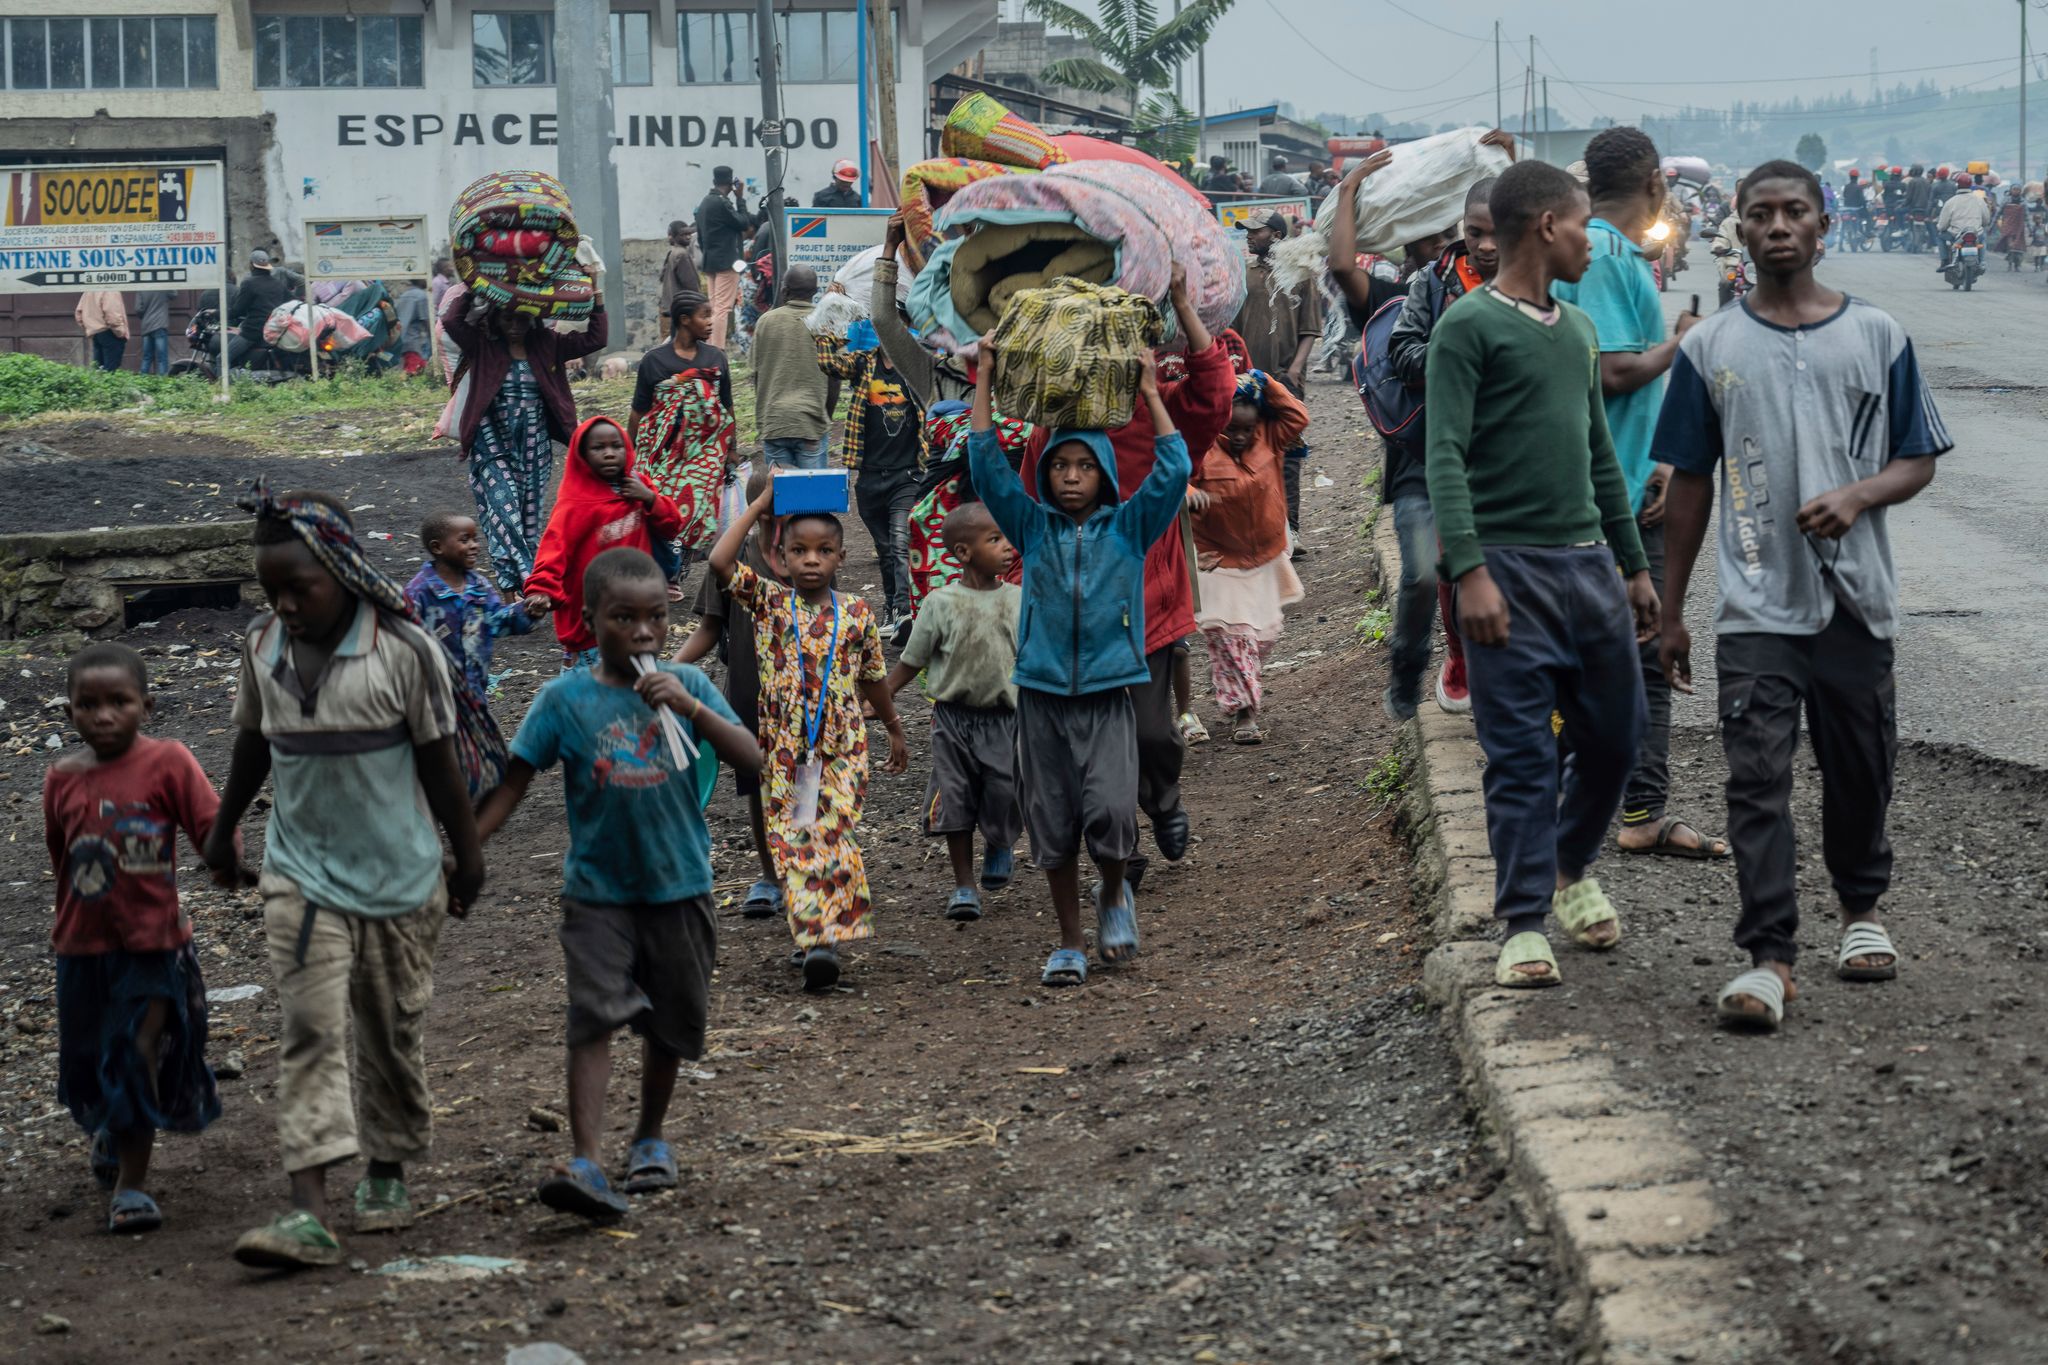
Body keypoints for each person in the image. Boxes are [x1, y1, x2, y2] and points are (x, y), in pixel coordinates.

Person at [1652, 160, 1949, 1032]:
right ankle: (1769, 958)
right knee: (1756, 780)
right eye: (1761, 213)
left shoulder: (1879, 335)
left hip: (1857, 601)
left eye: (1796, 212)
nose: (1779, 226)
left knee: (1861, 768)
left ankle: (1861, 911)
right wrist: (1671, 612)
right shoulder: (1711, 349)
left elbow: (1917, 455)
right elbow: (1690, 482)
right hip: (1756, 606)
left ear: (1824, 226)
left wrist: (1858, 494)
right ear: (1737, 230)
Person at [203, 489, 486, 1269]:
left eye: (301, 587)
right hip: (300, 872)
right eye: (272, 591)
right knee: (310, 1029)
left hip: (400, 874)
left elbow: (441, 763)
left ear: (341, 569)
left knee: (389, 1028)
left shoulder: (403, 650)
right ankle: (309, 1210)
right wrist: (224, 832)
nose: (287, 605)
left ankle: (387, 1166)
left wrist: (470, 856)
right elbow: (252, 745)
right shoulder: (263, 647)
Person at [1424, 160, 1660, 991]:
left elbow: (1599, 452)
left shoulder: (1580, 330)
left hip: (1590, 565)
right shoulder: (1469, 327)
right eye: (1583, 225)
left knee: (1616, 732)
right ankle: (1524, 919)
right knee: (1520, 753)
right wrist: (1470, 571)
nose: (1594, 243)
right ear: (1545, 228)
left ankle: (1568, 862)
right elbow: (1443, 454)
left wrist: (1633, 564)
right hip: (1507, 569)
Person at [477, 547, 760, 1219]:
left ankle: (650, 1137)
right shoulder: (564, 699)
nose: (642, 633)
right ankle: (585, 1157)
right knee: (593, 1018)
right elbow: (511, 785)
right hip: (598, 893)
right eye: (623, 617)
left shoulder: (688, 682)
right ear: (589, 618)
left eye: (656, 618)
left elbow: (752, 756)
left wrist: (690, 706)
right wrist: (463, 855)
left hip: (681, 884)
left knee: (671, 1023)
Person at [972, 336, 1191, 987]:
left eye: (1084, 466)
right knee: (1054, 826)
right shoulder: (1030, 527)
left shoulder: (1129, 527)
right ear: (1045, 474)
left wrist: (1150, 391)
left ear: (1103, 474)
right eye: (1060, 465)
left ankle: (1115, 893)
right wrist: (984, 374)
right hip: (1040, 697)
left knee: (1112, 812)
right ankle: (1070, 939)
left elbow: (1173, 469)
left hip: (1107, 697)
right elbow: (985, 463)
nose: (1070, 475)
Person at [1016, 265, 1232, 871]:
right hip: (1071, 615)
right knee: (1083, 749)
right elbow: (1032, 513)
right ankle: (1120, 851)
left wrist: (1185, 307)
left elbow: (1215, 395)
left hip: (1146, 601)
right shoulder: (1051, 428)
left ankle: (1162, 801)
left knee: (1149, 733)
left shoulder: (1154, 412)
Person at [1551, 126, 1724, 863]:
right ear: (1655, 182)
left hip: (1620, 475)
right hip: (1611, 493)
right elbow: (1611, 371)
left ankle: (1595, 797)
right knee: (1642, 649)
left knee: (1607, 652)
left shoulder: (1602, 248)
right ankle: (1638, 807)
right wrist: (1683, 341)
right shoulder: (1607, 253)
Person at [47, 643, 239, 1235]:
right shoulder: (62, 778)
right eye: (88, 705)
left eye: (118, 703)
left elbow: (211, 824)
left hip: (154, 945)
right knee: (87, 1060)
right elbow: (63, 859)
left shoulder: (169, 763)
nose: (103, 716)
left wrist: (225, 861)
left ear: (145, 705)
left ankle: (132, 1185)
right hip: (81, 947)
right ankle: (110, 1127)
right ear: (71, 712)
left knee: (136, 1049)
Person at [706, 484, 909, 991]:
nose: (811, 561)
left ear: (842, 555)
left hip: (841, 750)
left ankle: (821, 940)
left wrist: (893, 726)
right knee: (798, 838)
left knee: (830, 834)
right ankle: (816, 934)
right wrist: (758, 506)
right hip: (788, 757)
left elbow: (871, 678)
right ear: (779, 557)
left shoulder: (857, 613)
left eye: (823, 551)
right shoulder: (771, 605)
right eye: (798, 551)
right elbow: (719, 561)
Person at [1380, 176, 1500, 721]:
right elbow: (1402, 352)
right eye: (1476, 233)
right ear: (1462, 230)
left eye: (1500, 233)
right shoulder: (1433, 282)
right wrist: (1464, 358)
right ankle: (1422, 661)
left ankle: (1486, 671)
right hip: (1427, 453)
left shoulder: (1543, 286)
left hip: (1500, 456)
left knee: (1485, 569)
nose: (1488, 246)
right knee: (1428, 571)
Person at [882, 501, 1022, 921]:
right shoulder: (941, 603)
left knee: (1006, 790)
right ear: (963, 552)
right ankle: (964, 886)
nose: (1007, 547)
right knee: (954, 802)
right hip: (953, 719)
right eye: (995, 539)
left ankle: (999, 842)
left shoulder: (1019, 599)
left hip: (1006, 719)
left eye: (1005, 537)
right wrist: (880, 699)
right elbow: (913, 659)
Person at [440, 279, 610, 591]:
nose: (515, 326)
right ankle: (532, 581)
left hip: (535, 446)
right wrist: (474, 283)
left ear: (532, 318)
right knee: (505, 513)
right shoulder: (483, 345)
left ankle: (509, 590)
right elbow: (451, 320)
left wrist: (597, 297)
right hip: (491, 442)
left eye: (521, 319)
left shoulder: (548, 344)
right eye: (507, 319)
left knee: (528, 521)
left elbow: (596, 338)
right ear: (496, 320)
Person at [674, 466, 785, 918]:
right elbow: (708, 628)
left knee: (804, 784)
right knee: (757, 785)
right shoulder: (737, 555)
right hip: (748, 688)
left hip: (804, 693)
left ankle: (801, 870)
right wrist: (671, 669)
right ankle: (769, 875)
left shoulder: (809, 551)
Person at [1188, 370, 1307, 745]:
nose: (1239, 437)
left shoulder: (1271, 435)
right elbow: (1175, 474)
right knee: (1233, 635)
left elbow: (1298, 416)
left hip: (1266, 557)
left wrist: (1264, 381)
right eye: (1231, 431)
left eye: (1246, 430)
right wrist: (1190, 494)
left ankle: (1232, 681)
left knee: (1261, 639)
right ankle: (1246, 712)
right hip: (1218, 559)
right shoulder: (1201, 446)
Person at [524, 417, 684, 671]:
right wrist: (541, 589)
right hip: (591, 626)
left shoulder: (637, 486)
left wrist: (650, 499)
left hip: (636, 615)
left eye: (616, 446)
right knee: (590, 697)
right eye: (598, 448)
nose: (609, 454)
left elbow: (673, 525)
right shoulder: (575, 504)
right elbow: (554, 551)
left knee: (639, 692)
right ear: (582, 455)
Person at [822, 310, 927, 635]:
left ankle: (906, 613)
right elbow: (828, 362)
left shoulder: (919, 365)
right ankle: (893, 611)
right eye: (883, 326)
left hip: (907, 475)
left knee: (899, 544)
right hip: (869, 478)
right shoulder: (863, 362)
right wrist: (832, 314)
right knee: (885, 549)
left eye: (898, 326)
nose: (890, 333)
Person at [627, 291, 736, 593]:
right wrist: (630, 453)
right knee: (663, 509)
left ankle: (674, 572)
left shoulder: (715, 358)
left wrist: (732, 450)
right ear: (684, 320)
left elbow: (726, 407)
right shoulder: (654, 361)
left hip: (704, 451)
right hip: (661, 452)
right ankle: (668, 570)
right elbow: (639, 411)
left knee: (695, 510)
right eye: (705, 315)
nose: (711, 322)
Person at [1231, 212, 1320, 539]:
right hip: (1247, 379)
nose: (1249, 236)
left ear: (1277, 234)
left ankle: (1290, 529)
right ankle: (1257, 527)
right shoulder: (1242, 274)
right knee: (1247, 448)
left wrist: (1295, 369)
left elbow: (1310, 329)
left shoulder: (1300, 273)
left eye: (1257, 231)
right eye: (1247, 232)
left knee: (1289, 452)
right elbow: (1232, 329)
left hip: (1286, 379)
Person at [403, 512, 535, 699]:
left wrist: (528, 611)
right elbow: (403, 644)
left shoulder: (478, 585)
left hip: (474, 694)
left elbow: (497, 621)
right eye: (465, 540)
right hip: (432, 698)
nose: (474, 546)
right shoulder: (419, 593)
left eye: (475, 539)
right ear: (437, 547)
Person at [751, 264, 832, 470]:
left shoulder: (765, 322)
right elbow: (835, 377)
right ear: (815, 292)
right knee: (813, 499)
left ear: (784, 290)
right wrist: (825, 417)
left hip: (775, 422)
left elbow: (757, 376)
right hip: (811, 423)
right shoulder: (827, 322)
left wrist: (763, 417)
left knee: (780, 496)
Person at [695, 166, 755, 349]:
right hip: (727, 262)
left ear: (714, 181)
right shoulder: (722, 203)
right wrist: (740, 198)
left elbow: (700, 237)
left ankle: (710, 348)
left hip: (710, 261)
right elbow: (743, 223)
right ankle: (718, 350)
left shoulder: (704, 203)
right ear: (731, 184)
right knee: (722, 308)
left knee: (713, 307)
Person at [228, 250, 293, 366]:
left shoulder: (248, 283)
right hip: (275, 330)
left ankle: (223, 383)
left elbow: (238, 310)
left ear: (251, 265)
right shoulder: (277, 283)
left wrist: (217, 314)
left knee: (222, 359)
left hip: (253, 331)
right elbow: (292, 301)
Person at [1936, 174, 1993, 269]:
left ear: (1957, 185)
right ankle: (1982, 261)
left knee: (1940, 237)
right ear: (1970, 185)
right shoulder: (1979, 200)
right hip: (1975, 233)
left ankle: (1944, 261)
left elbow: (1942, 225)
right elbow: (1986, 221)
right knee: (1983, 238)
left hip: (1956, 234)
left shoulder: (1950, 202)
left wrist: (1941, 228)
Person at [655, 220, 702, 327]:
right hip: (683, 306)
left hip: (674, 305)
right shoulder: (682, 254)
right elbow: (690, 283)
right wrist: (699, 303)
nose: (688, 237)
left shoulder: (673, 252)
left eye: (689, 234)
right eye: (684, 234)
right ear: (675, 237)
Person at [76, 290, 128, 371]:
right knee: (111, 371)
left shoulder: (88, 290)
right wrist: (120, 331)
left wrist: (89, 326)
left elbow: (79, 313)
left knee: (99, 369)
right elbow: (112, 314)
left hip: (96, 332)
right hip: (109, 331)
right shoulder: (110, 289)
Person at [393, 279, 432, 377]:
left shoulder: (404, 295)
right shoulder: (421, 296)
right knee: (413, 372)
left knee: (414, 368)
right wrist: (434, 338)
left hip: (401, 338)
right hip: (414, 341)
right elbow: (426, 321)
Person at [135, 291, 171, 376]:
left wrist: (145, 316)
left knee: (146, 357)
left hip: (147, 326)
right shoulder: (162, 286)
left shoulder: (141, 289)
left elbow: (138, 309)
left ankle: (143, 382)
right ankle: (163, 384)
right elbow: (174, 294)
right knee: (162, 358)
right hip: (160, 324)